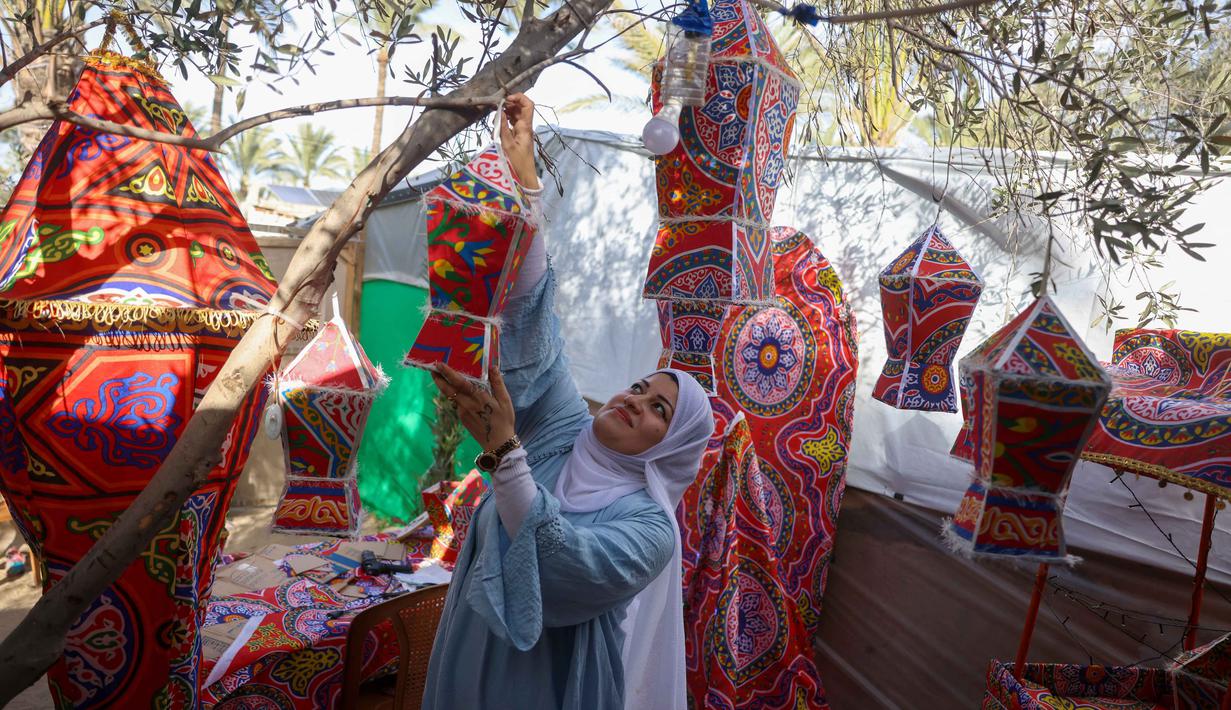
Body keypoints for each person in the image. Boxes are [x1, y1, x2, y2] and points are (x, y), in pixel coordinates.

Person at [420, 94, 715, 710]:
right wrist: (527, 181)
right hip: (467, 655)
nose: (638, 400)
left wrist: (504, 453)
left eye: (660, 410)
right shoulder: (562, 430)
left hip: (548, 686)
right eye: (641, 387)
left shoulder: (649, 530)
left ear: (671, 451)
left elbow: (562, 565)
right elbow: (533, 323)